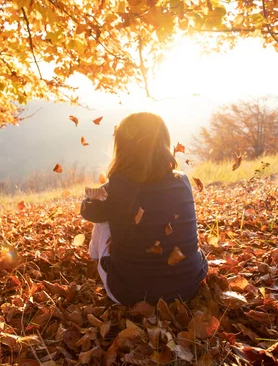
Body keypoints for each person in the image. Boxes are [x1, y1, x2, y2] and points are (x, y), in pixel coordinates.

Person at [81, 112, 208, 305]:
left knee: (103, 215)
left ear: (122, 148)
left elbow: (88, 211)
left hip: (129, 294)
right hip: (188, 287)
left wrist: (95, 195)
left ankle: (95, 260)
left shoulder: (117, 187)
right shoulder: (182, 181)